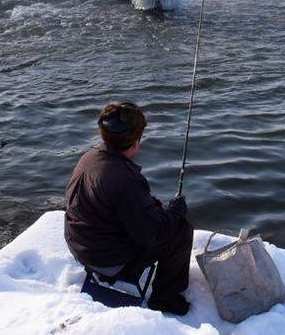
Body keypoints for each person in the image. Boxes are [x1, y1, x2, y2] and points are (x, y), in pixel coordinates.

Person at [64, 101, 193, 315]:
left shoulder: (89, 158)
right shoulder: (126, 180)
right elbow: (150, 236)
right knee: (181, 230)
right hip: (106, 260)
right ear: (135, 142)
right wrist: (175, 213)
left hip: (79, 247)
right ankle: (166, 299)